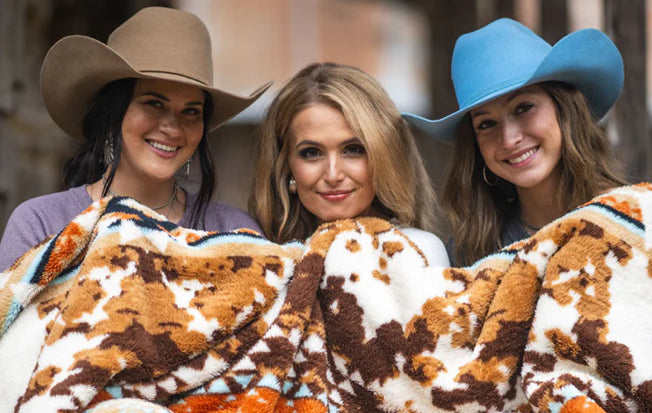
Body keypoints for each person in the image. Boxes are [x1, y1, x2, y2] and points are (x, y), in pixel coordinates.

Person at [0, 6, 272, 271]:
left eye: (191, 111)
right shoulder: (41, 226)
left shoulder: (235, 235)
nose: (173, 128)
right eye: (154, 103)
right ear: (113, 113)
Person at [403, 18, 628, 266]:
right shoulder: (466, 258)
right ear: (475, 147)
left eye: (523, 108)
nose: (509, 140)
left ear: (564, 110)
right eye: (486, 124)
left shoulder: (633, 221)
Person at [249, 62, 450, 267]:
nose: (333, 175)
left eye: (353, 150)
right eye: (311, 153)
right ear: (285, 165)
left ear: (385, 156)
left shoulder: (417, 251)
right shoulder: (261, 261)